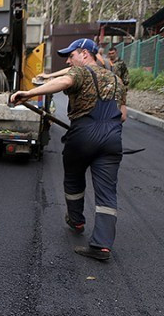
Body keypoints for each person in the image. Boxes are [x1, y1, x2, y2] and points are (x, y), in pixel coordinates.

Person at [11, 39, 126, 261]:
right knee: (107, 192)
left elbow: (65, 81)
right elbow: (123, 116)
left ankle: (76, 220)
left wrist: (27, 94)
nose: (68, 61)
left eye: (71, 55)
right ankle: (102, 245)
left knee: (74, 179)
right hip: (112, 138)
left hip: (83, 135)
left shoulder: (81, 72)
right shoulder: (117, 80)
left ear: (85, 54)